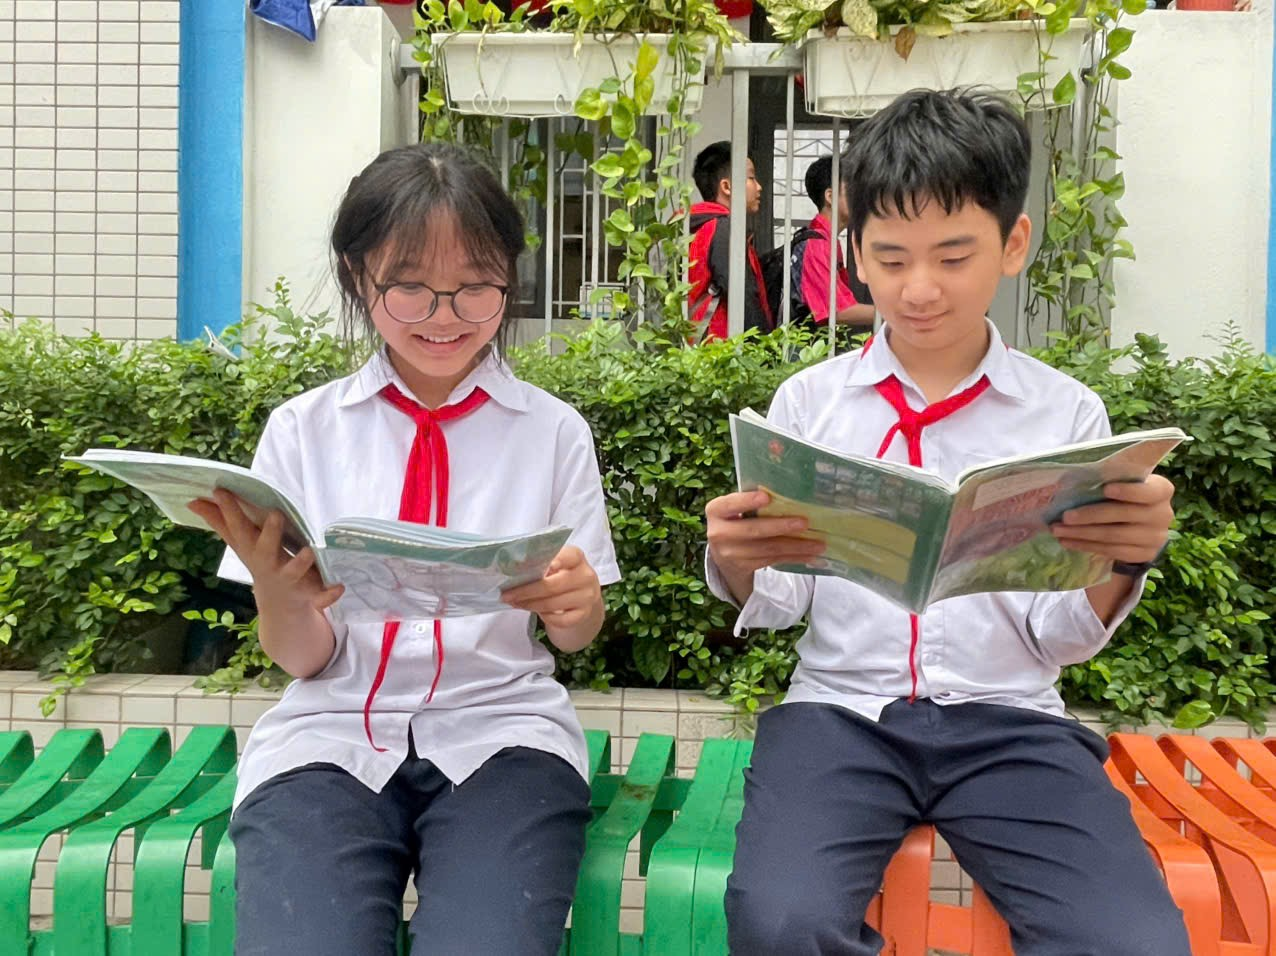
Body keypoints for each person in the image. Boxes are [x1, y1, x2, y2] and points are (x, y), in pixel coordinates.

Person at [704, 89, 1189, 955]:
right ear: (854, 253)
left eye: (954, 256)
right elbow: (785, 599)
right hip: (840, 715)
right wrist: (739, 560)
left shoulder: (1065, 416)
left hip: (1011, 721)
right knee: (781, 921)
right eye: (890, 259)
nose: (919, 289)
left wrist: (1123, 562)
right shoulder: (810, 404)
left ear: (1013, 243)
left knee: (1131, 940)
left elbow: (1058, 636)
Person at [189, 142, 620, 956]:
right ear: (359, 276)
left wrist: (578, 607)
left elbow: (573, 635)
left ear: (511, 278)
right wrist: (280, 595)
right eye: (410, 286)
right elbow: (303, 659)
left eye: (477, 285)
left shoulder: (553, 433)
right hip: (330, 736)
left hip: (505, 736)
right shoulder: (303, 432)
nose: (444, 315)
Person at [688, 140, 774, 340]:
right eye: (751, 178)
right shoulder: (723, 229)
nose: (759, 187)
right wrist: (764, 347)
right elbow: (743, 297)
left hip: (698, 348)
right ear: (727, 187)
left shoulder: (695, 226)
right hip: (722, 349)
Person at [789, 154, 876, 328]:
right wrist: (894, 314)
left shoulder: (825, 240)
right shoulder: (816, 244)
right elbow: (836, 311)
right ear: (830, 197)